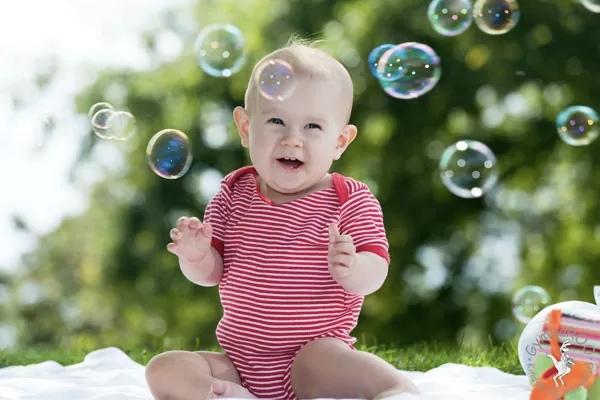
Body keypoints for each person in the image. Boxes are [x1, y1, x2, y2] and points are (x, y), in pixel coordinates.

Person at [144, 38, 420, 400]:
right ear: (245, 127)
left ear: (340, 141)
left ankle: (396, 390)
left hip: (312, 363)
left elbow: (376, 272)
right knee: (163, 368)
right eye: (276, 120)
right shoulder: (233, 192)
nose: (293, 139)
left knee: (323, 358)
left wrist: (352, 268)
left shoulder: (349, 199)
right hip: (240, 367)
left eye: (313, 128)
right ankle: (226, 396)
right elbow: (211, 273)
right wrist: (196, 256)